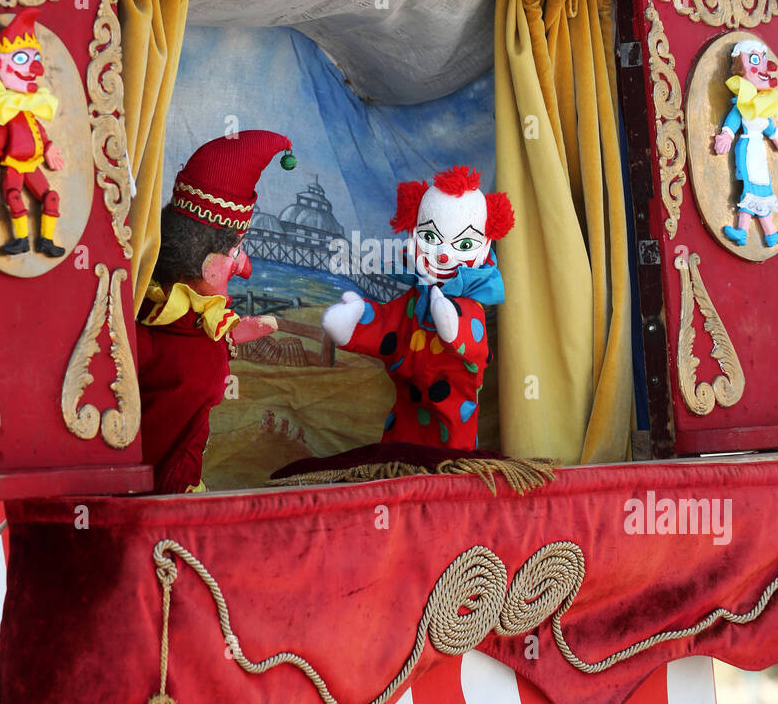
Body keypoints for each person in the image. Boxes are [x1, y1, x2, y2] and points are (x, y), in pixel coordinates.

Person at [136, 130, 294, 492]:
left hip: (180, 484)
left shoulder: (192, 323)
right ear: (209, 266)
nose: (244, 266)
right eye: (237, 252)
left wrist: (235, 333)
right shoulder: (148, 334)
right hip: (156, 496)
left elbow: (204, 342)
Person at [322, 166, 513, 448]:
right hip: (406, 408)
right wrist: (356, 322)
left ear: (484, 247)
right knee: (400, 439)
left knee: (453, 445)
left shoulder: (471, 308)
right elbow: (389, 325)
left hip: (453, 413)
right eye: (431, 238)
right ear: (413, 234)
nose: (444, 254)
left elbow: (475, 345)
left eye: (465, 244)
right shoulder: (413, 299)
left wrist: (451, 321)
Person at [0, 7, 65, 257]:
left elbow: (39, 132)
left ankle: (46, 240)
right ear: (2, 63)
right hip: (14, 165)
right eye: (21, 59)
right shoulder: (5, 110)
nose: (34, 69)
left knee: (51, 197)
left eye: (35, 59)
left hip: (34, 164)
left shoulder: (28, 108)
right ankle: (21, 240)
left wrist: (48, 148)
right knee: (13, 195)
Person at [713, 38, 778, 247]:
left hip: (759, 153)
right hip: (747, 149)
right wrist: (726, 135)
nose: (761, 65)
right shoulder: (742, 104)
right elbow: (733, 121)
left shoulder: (761, 105)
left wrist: (777, 136)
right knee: (751, 189)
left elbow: (768, 125)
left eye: (762, 58)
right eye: (755, 59)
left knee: (762, 189)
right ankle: (743, 231)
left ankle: (767, 234)